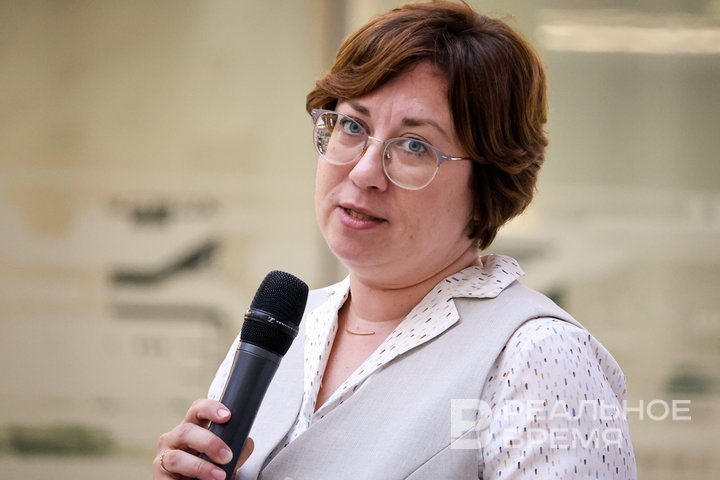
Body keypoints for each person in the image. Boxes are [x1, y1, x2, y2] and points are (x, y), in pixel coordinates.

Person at [154, 1, 637, 479]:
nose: (364, 172)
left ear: (489, 184)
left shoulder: (539, 356)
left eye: (414, 146)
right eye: (352, 126)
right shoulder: (283, 330)